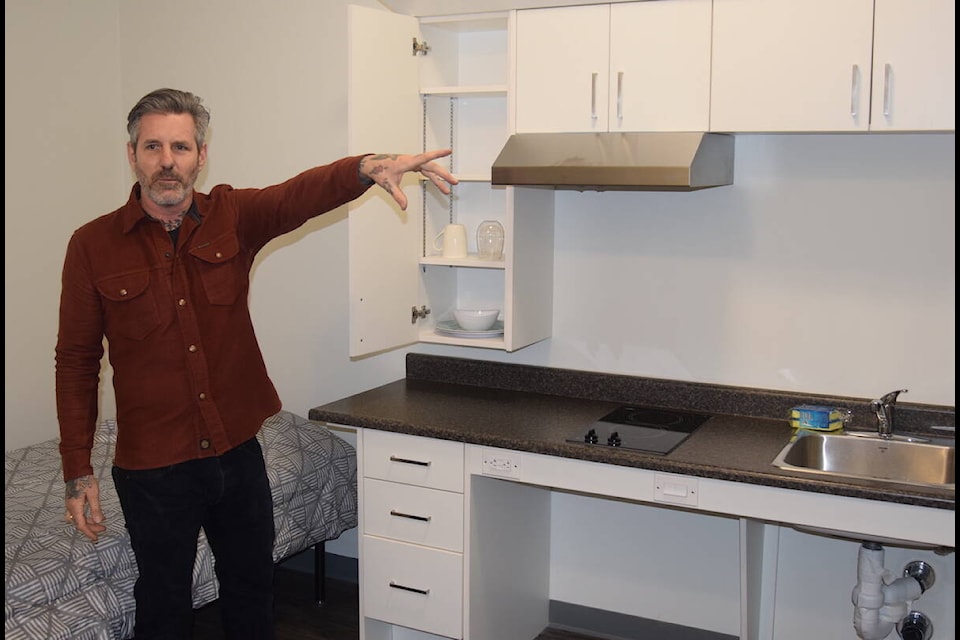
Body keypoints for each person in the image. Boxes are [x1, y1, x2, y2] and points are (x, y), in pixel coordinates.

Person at [54, 87, 458, 640]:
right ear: (132, 155)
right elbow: (75, 362)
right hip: (153, 468)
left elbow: (299, 195)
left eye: (180, 146)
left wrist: (366, 167)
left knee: (251, 592)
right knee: (163, 603)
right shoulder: (92, 245)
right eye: (152, 147)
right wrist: (78, 469)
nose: (167, 162)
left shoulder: (232, 216)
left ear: (201, 154)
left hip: (237, 454)